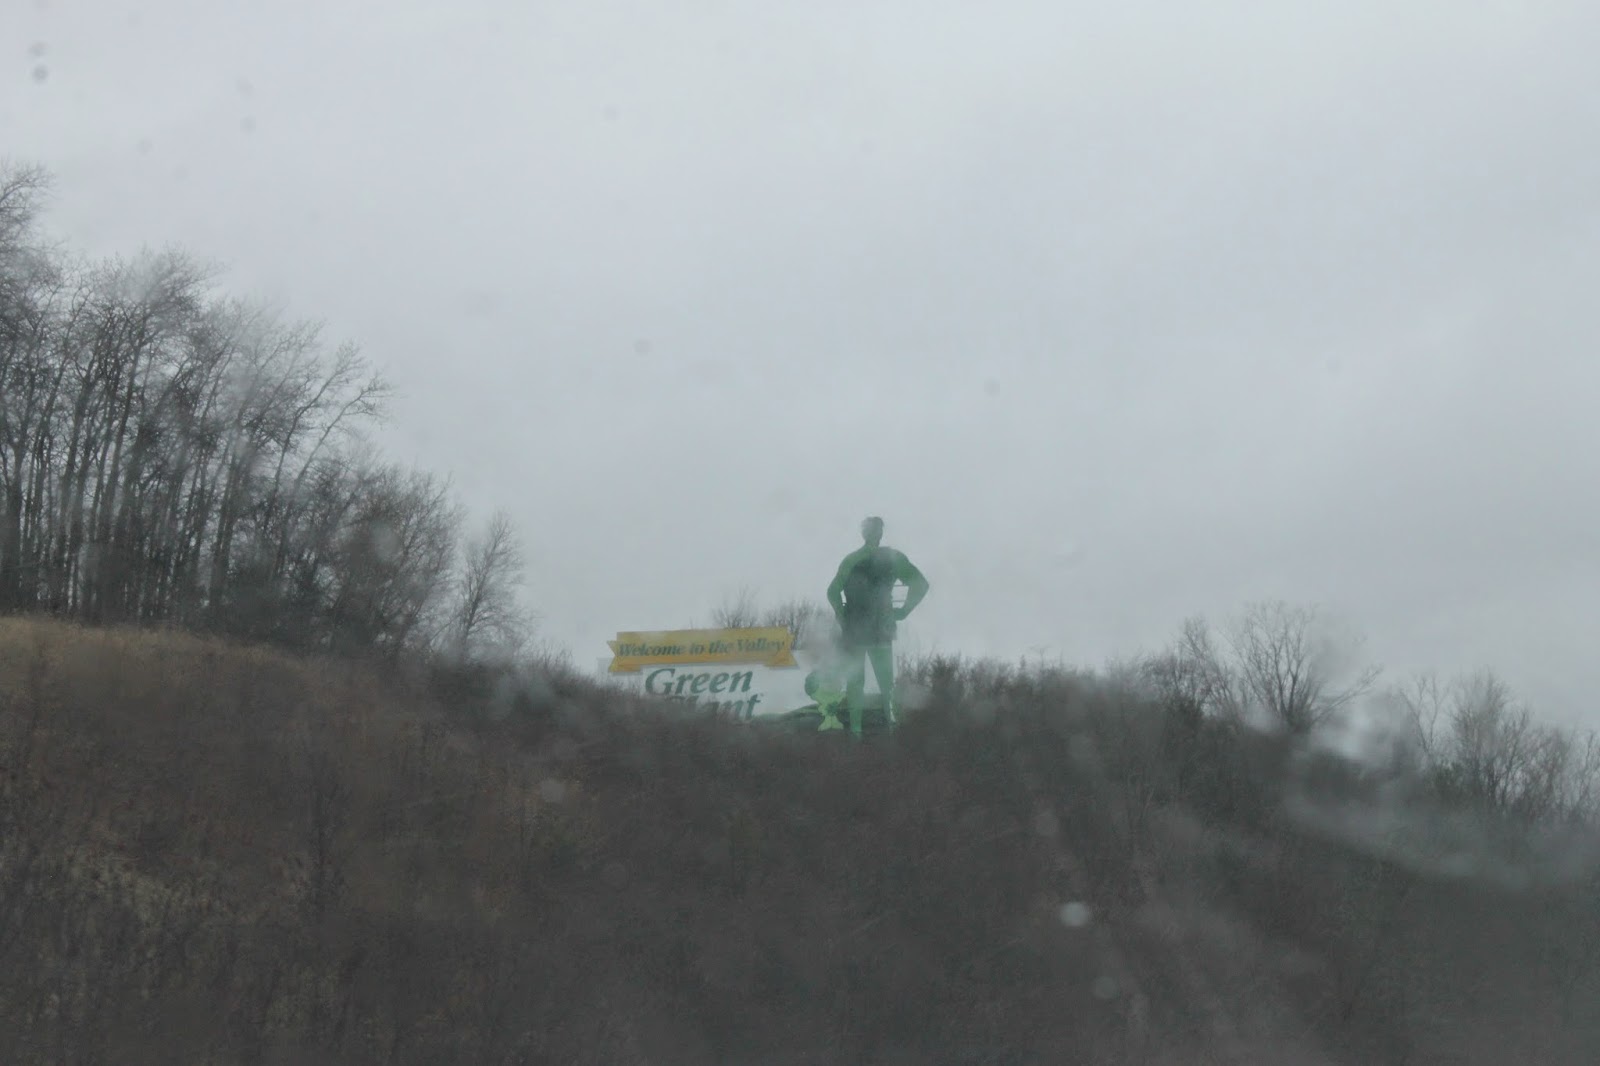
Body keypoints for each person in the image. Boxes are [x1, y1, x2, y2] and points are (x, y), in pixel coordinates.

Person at [821, 516, 929, 737]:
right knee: (880, 681)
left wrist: (844, 616)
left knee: (864, 681)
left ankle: (862, 731)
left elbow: (833, 592)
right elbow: (920, 584)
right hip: (876, 628)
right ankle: (885, 727)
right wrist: (902, 611)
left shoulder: (855, 560)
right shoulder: (888, 558)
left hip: (863, 629)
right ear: (878, 533)